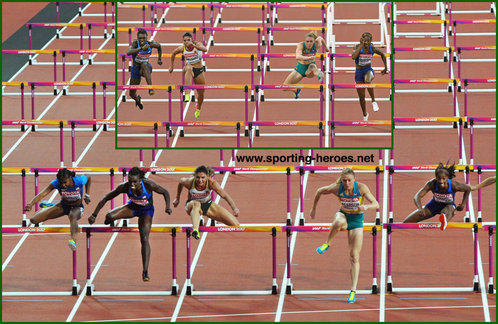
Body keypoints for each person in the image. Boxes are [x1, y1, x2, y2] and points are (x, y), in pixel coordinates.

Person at [88, 167, 172, 281]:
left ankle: (145, 271)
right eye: (130, 181)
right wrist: (94, 214)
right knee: (109, 216)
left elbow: (165, 192)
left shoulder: (148, 185)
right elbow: (106, 197)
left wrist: (167, 207)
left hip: (146, 212)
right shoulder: (125, 186)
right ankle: (111, 221)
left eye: (135, 182)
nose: (132, 184)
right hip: (132, 208)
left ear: (140, 179)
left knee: (144, 238)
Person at [310, 167, 379, 304]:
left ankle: (353, 290)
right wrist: (313, 209)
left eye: (349, 180)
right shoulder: (337, 188)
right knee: (338, 221)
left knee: (354, 257)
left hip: (357, 221)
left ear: (354, 180)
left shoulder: (361, 188)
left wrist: (366, 207)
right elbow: (319, 191)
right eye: (344, 180)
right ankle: (327, 243)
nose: (346, 183)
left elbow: (376, 204)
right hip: (343, 215)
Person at [24, 168, 91, 251]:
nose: (63, 185)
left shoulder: (79, 180)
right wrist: (31, 204)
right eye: (61, 183)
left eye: (65, 182)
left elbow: (88, 176)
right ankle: (51, 205)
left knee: (72, 215)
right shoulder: (56, 183)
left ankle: (73, 241)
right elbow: (42, 194)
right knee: (34, 220)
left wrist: (87, 195)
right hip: (63, 206)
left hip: (77, 207)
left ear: (70, 178)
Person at [173, 165, 239, 239]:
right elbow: (181, 181)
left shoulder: (212, 183)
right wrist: (177, 198)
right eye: (198, 177)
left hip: (207, 205)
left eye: (203, 178)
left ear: (207, 176)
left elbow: (225, 195)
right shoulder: (190, 182)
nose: (200, 180)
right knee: (196, 203)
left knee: (236, 225)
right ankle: (195, 231)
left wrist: (234, 208)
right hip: (192, 206)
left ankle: (197, 226)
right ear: (194, 176)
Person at [403, 163, 471, 231]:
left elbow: (468, 188)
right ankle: (444, 219)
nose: (441, 181)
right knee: (406, 223)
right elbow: (417, 196)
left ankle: (444, 221)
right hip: (434, 205)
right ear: (436, 178)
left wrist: (463, 204)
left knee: (448, 211)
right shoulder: (432, 184)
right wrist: (420, 208)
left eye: (444, 179)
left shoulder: (454, 185)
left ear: (448, 178)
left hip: (448, 205)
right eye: (439, 179)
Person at [169, 32, 208, 119]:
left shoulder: (197, 44)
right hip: (188, 68)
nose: (187, 42)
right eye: (185, 41)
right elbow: (173, 53)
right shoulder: (182, 48)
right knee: (189, 68)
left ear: (192, 40)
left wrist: (195, 46)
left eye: (188, 40)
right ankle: (187, 94)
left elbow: (205, 49)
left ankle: (198, 108)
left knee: (201, 95)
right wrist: (171, 66)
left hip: (199, 70)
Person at [351, 32, 388, 121]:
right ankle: (365, 114)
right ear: (362, 40)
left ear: (371, 41)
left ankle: (373, 101)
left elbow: (382, 54)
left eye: (368, 41)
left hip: (368, 70)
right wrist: (360, 45)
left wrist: (385, 68)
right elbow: (353, 57)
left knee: (367, 80)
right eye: (365, 41)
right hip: (359, 72)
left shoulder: (373, 48)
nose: (366, 43)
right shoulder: (357, 47)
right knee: (361, 97)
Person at [283, 31, 329, 99]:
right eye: (307, 41)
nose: (309, 43)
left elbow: (321, 38)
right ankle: (296, 90)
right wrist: (308, 58)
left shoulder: (316, 44)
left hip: (311, 69)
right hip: (300, 68)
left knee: (312, 67)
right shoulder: (301, 45)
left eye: (311, 41)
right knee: (284, 87)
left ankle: (319, 74)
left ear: (314, 41)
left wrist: (326, 48)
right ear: (304, 41)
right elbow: (297, 56)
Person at [126, 28, 162, 110]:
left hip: (146, 69)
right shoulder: (135, 44)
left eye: (144, 38)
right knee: (131, 94)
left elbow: (159, 46)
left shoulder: (150, 44)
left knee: (144, 64)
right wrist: (140, 49)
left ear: (147, 38)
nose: (142, 40)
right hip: (135, 69)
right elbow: (128, 52)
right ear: (137, 38)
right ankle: (137, 100)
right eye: (140, 38)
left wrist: (159, 59)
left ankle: (150, 88)